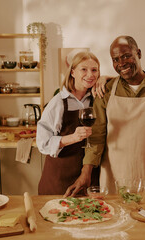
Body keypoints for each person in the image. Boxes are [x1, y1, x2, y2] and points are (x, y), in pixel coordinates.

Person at [64, 36, 145, 200]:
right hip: (113, 174)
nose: (121, 63)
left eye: (126, 56)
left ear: (138, 53)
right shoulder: (105, 91)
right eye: (115, 59)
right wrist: (85, 173)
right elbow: (96, 136)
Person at [37, 51, 100, 195]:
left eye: (94, 70)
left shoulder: (96, 99)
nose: (90, 75)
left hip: (88, 175)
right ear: (72, 72)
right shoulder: (58, 102)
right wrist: (72, 138)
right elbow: (42, 142)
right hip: (60, 177)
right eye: (83, 69)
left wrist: (105, 79)